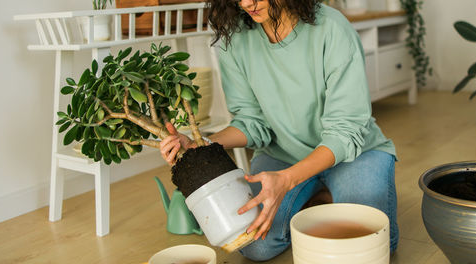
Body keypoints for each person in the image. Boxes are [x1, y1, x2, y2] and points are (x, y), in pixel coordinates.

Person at [160, 0, 398, 261]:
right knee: (254, 245)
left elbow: (346, 131)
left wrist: (287, 181)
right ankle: (315, 198)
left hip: (354, 155)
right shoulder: (235, 35)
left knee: (368, 243)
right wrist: (204, 144)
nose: (246, 3)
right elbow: (252, 121)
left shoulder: (333, 28)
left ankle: (316, 194)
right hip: (282, 154)